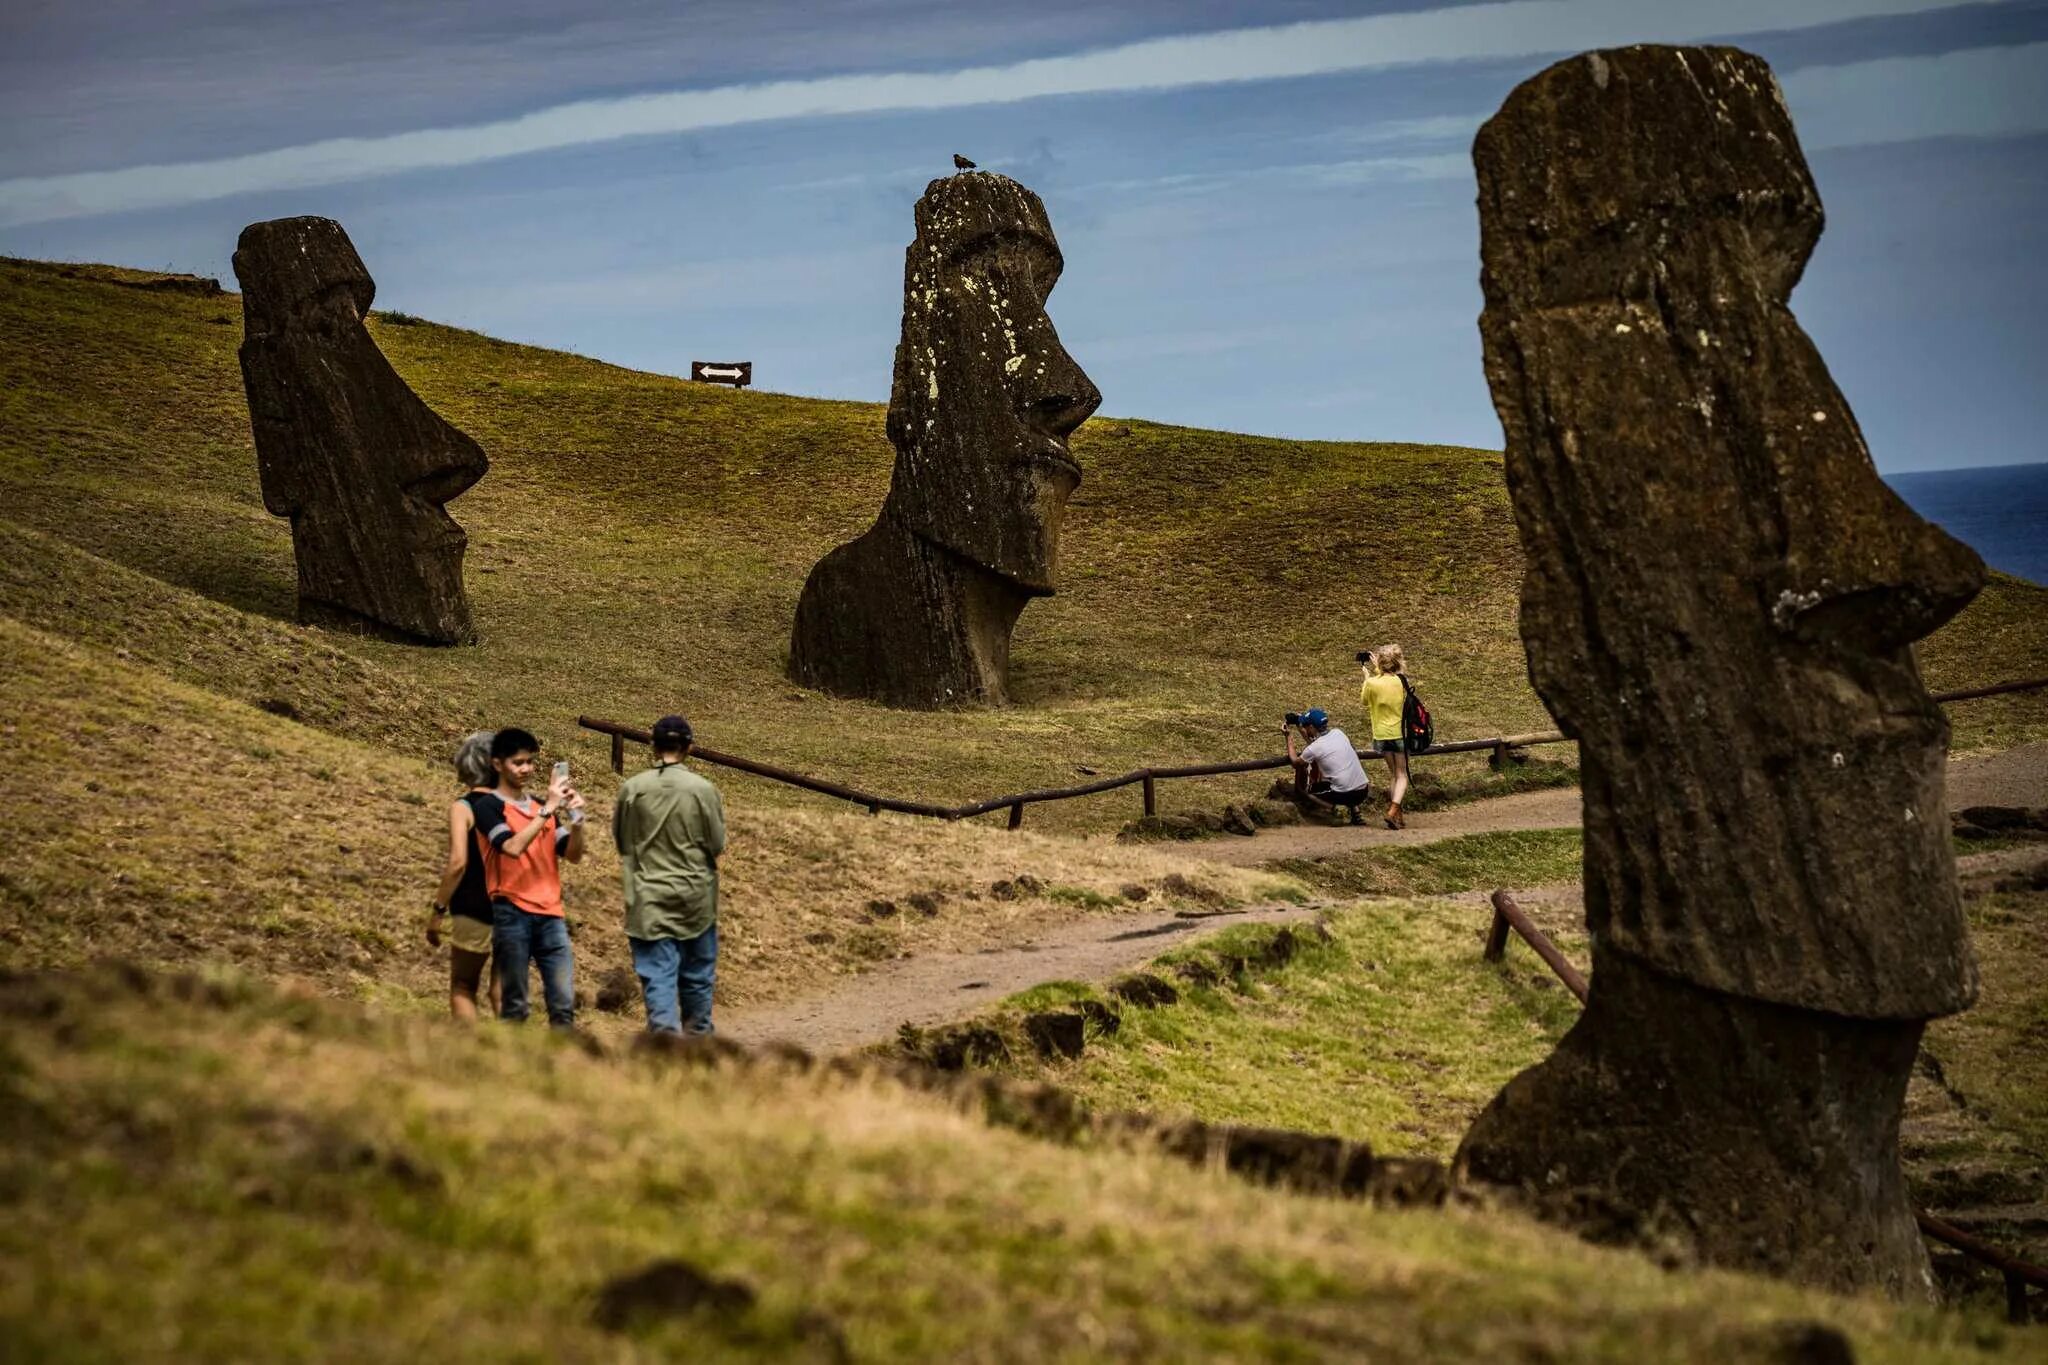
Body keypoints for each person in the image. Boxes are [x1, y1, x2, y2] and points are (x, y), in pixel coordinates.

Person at [613, 715, 728, 1035]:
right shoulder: (704, 790)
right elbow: (717, 844)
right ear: (689, 747)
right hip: (696, 897)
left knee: (658, 976)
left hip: (649, 896)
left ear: (653, 746)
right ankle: (698, 1047)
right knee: (697, 978)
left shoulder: (632, 789)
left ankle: (663, 1045)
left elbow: (623, 842)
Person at [472, 727, 586, 1027]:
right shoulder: (488, 807)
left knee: (563, 1007)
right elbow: (511, 847)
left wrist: (578, 821)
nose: (526, 769)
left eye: (530, 762)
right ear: (497, 764)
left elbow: (572, 854)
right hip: (511, 912)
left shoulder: (539, 807)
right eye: (518, 762)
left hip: (551, 914)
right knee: (515, 1006)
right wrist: (548, 810)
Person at [426, 730, 500, 1021]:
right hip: (516, 908)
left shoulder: (464, 807)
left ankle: (471, 1054)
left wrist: (438, 910)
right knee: (502, 990)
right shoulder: (517, 807)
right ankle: (515, 1054)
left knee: (463, 985)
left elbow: (458, 862)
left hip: (474, 906)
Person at [1285, 708, 1372, 825]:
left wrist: (1288, 737)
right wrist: (1298, 724)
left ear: (1311, 727)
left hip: (1345, 794)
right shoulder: (1339, 733)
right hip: (1363, 791)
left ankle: (1338, 809)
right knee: (1340, 781)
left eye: (1306, 726)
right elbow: (1317, 746)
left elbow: (1295, 762)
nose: (1304, 728)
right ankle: (1356, 813)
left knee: (1306, 790)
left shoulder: (1315, 748)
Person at [1362, 644, 1412, 829]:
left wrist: (1369, 677)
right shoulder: (1400, 681)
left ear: (1380, 663)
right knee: (1402, 774)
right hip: (1398, 733)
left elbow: (1365, 701)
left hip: (1380, 735)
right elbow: (1391, 681)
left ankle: (1398, 816)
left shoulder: (1372, 683)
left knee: (1393, 774)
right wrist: (1378, 670)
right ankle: (1393, 810)